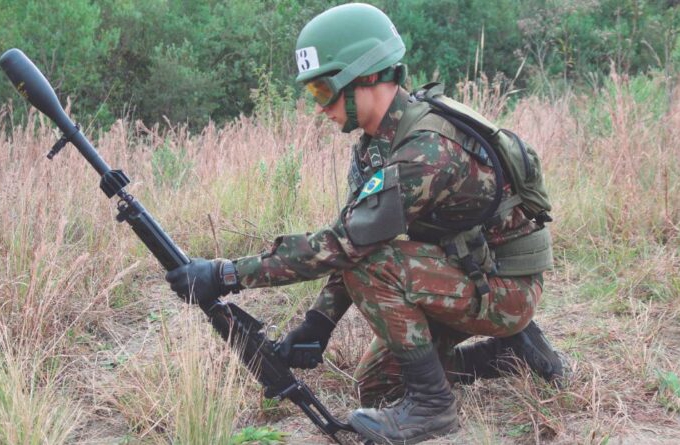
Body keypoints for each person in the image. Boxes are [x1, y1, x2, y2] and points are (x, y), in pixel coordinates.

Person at [165, 3, 564, 444]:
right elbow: (357, 233)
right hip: (468, 271)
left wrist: (227, 274)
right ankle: (509, 353)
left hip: (505, 288)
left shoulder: (425, 151)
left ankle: (433, 408)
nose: (319, 108)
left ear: (367, 76)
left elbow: (348, 246)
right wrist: (319, 322)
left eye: (322, 90)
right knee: (377, 386)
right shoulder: (379, 144)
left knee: (374, 267)